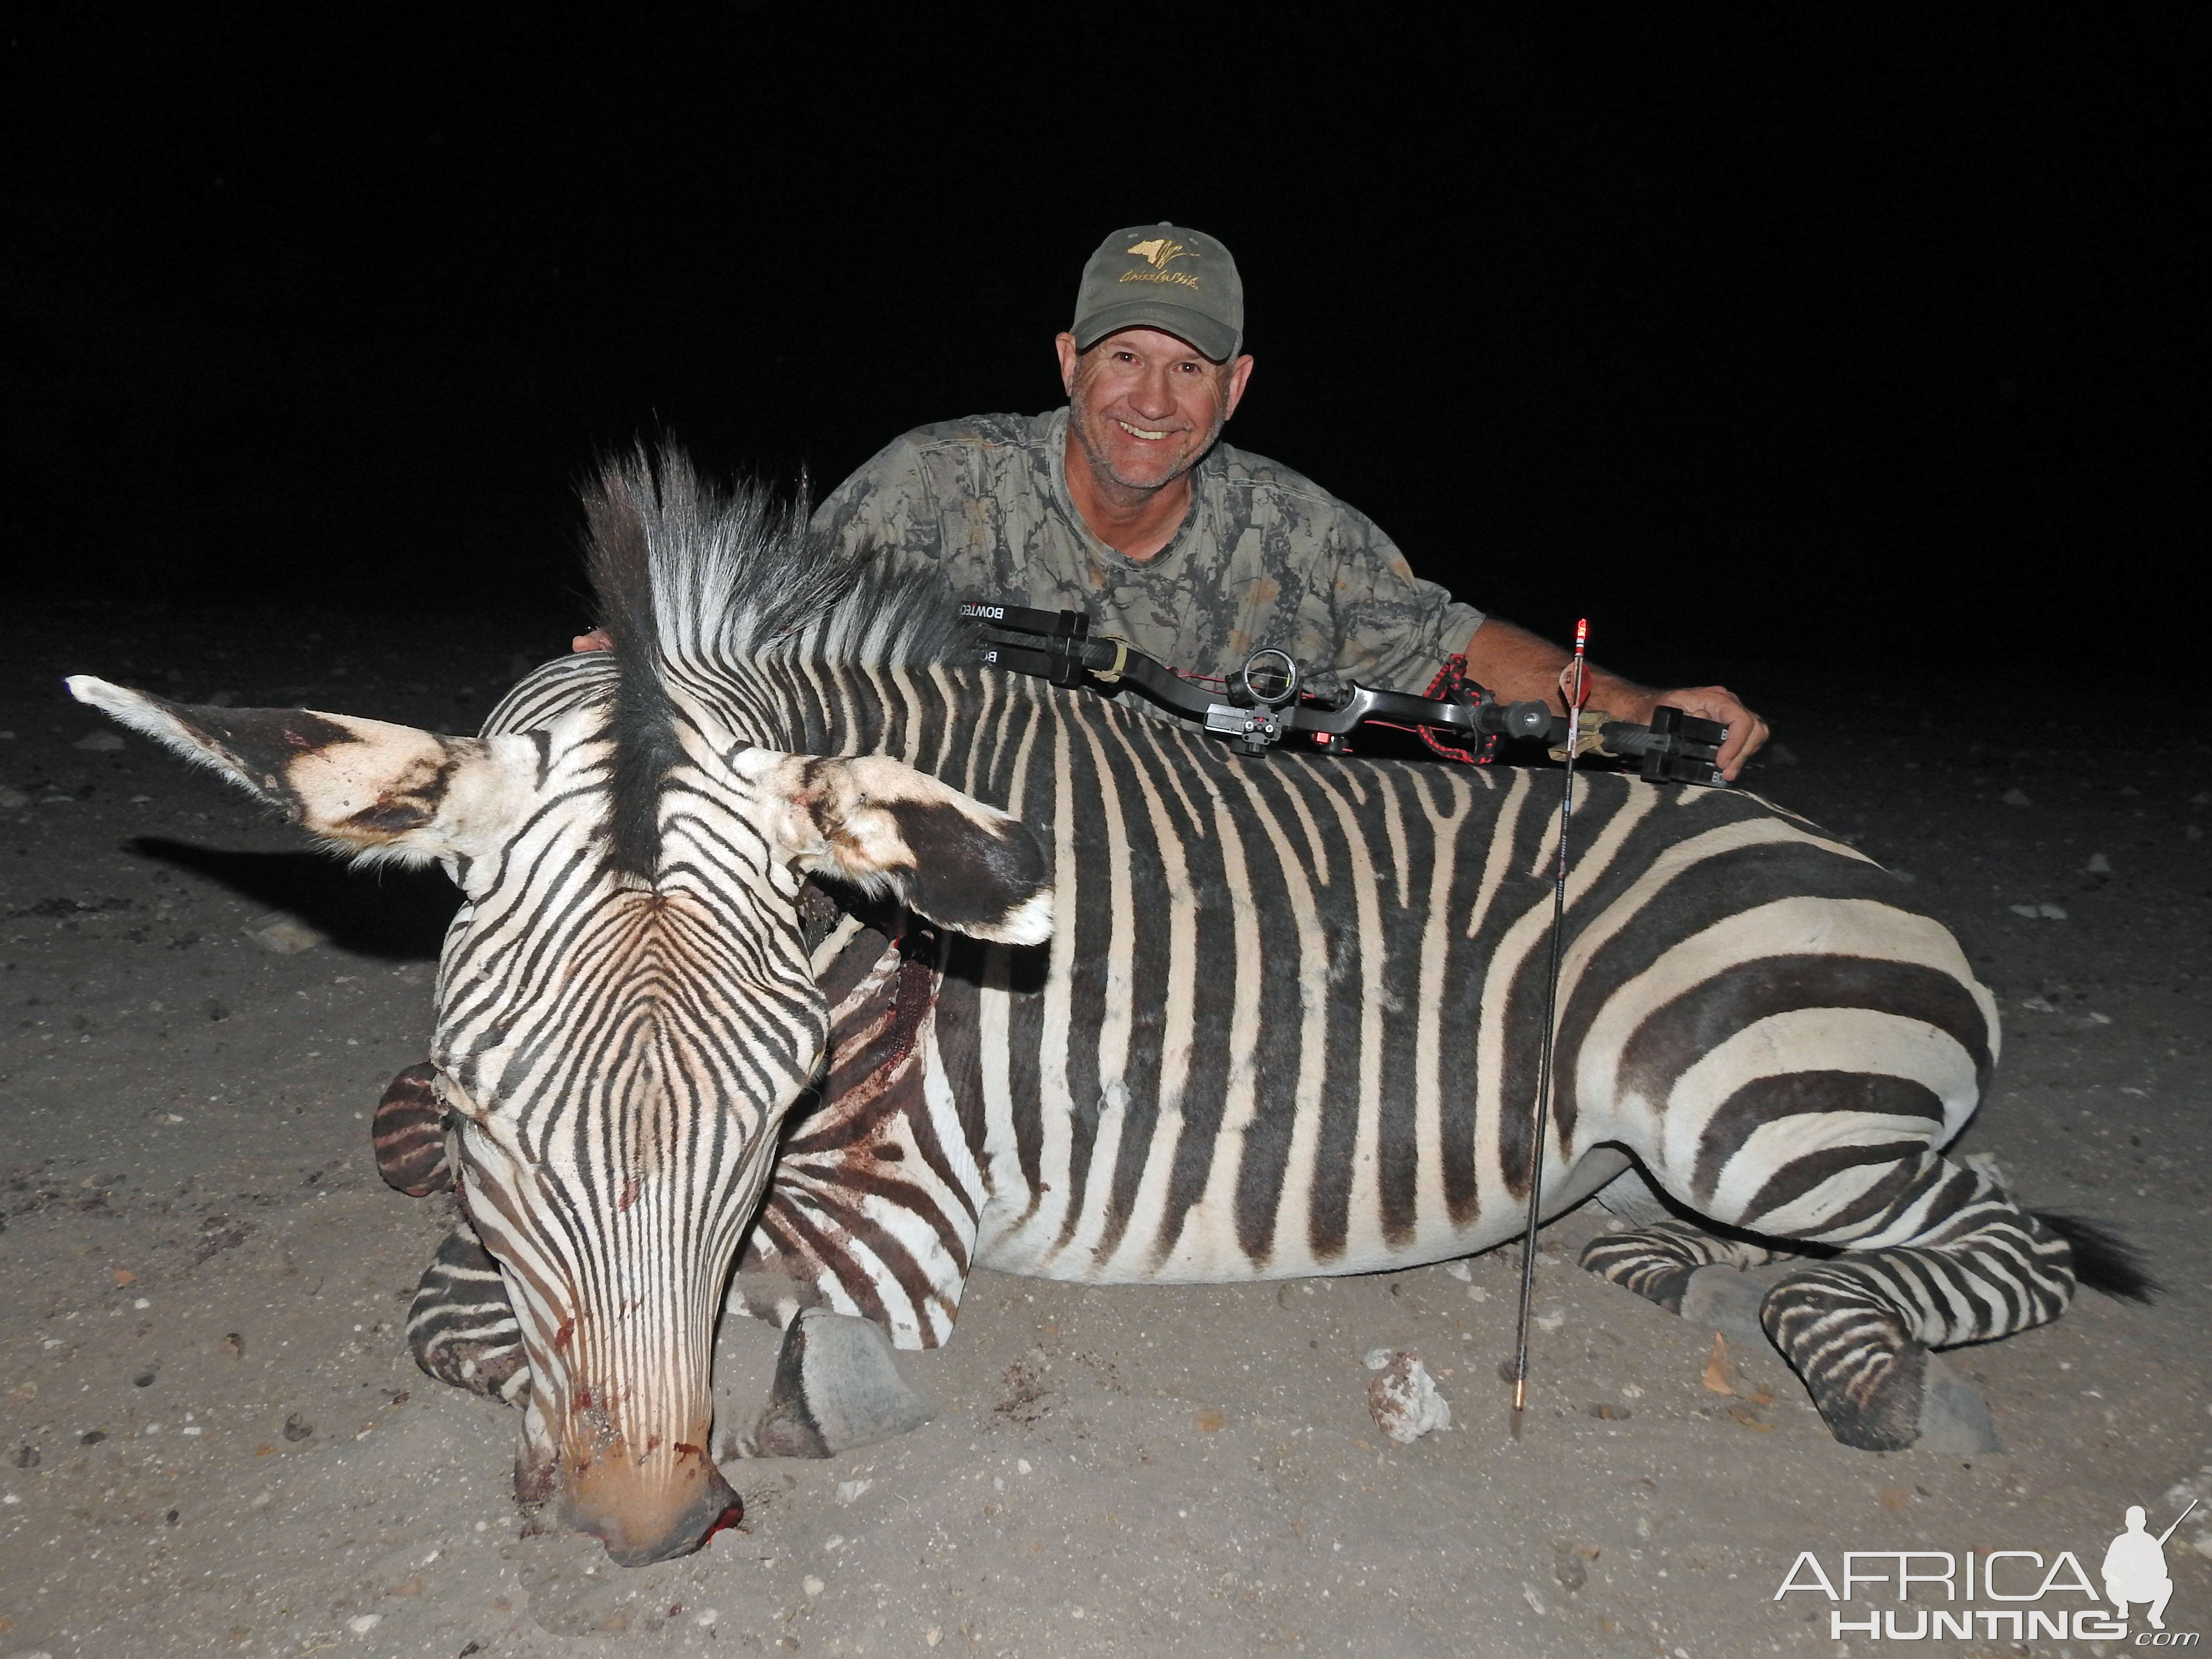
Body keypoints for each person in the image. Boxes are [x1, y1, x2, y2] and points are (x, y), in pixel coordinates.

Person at [577, 222, 1766, 778]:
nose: (1153, 400)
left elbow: (1453, 645)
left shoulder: (1296, 529)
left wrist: (1642, 705)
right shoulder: (934, 481)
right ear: (1066, 364)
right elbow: (776, 622)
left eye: (1189, 367)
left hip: (1192, 863)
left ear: (1235, 386)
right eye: (1124, 359)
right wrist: (647, 655)